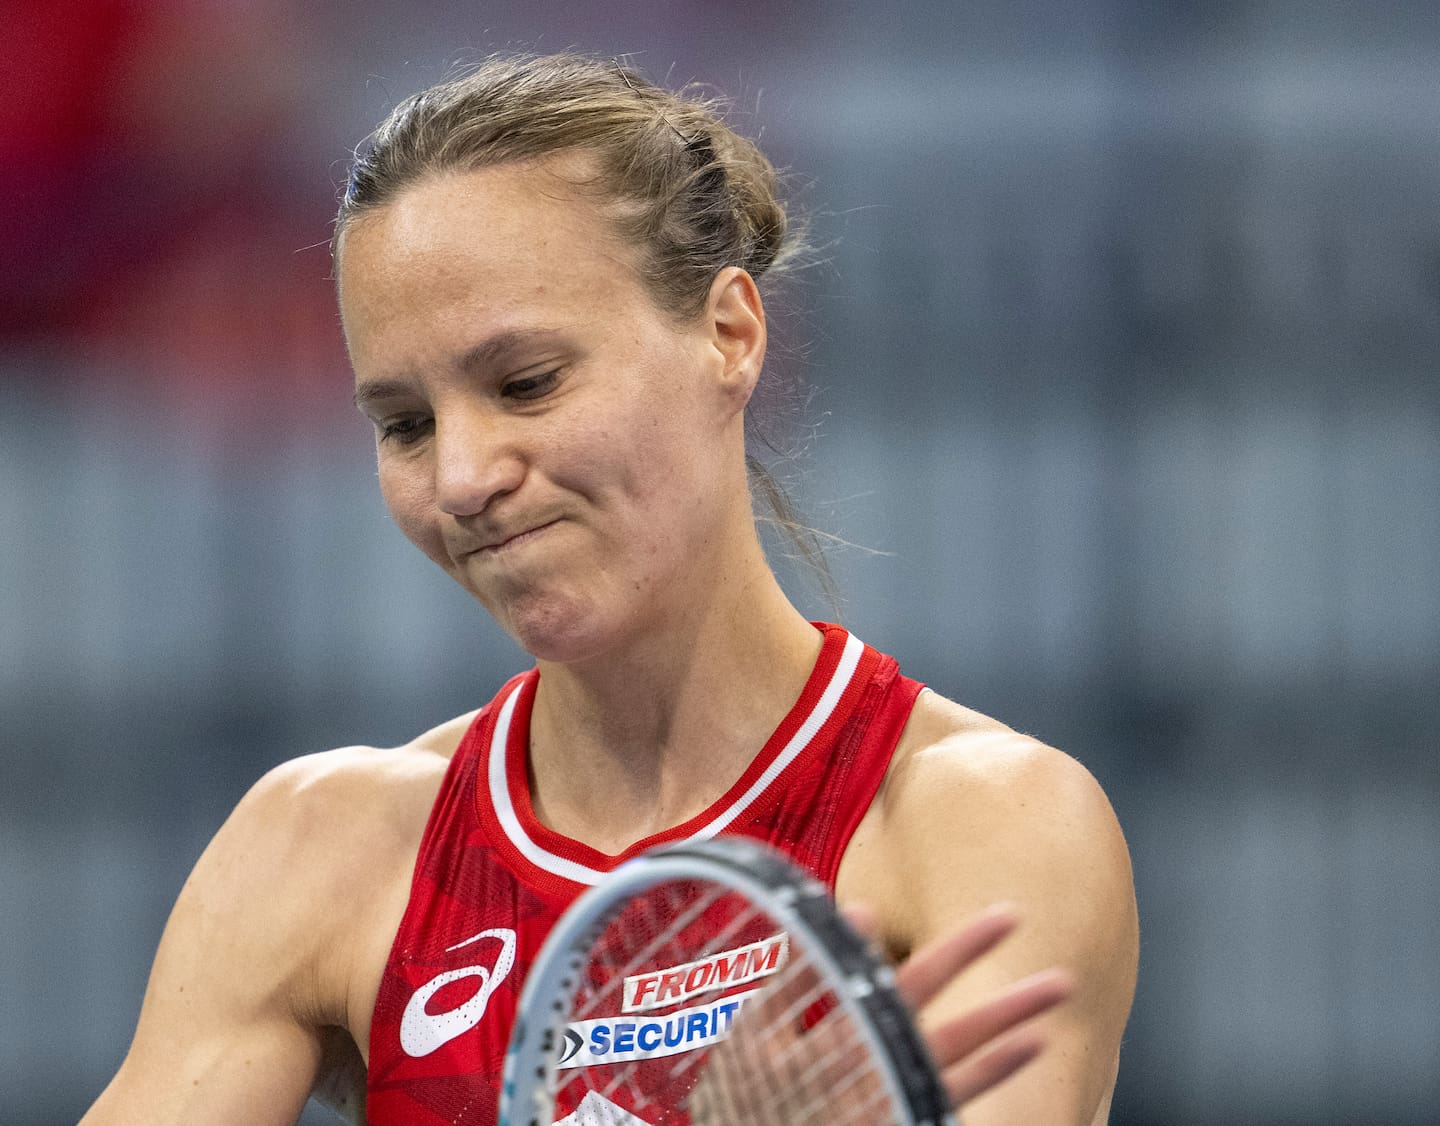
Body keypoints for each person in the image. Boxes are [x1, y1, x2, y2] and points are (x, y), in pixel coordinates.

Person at [84, 53, 1137, 1125]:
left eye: (527, 383)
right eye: (405, 424)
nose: (461, 478)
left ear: (729, 336)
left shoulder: (985, 822)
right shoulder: (321, 846)